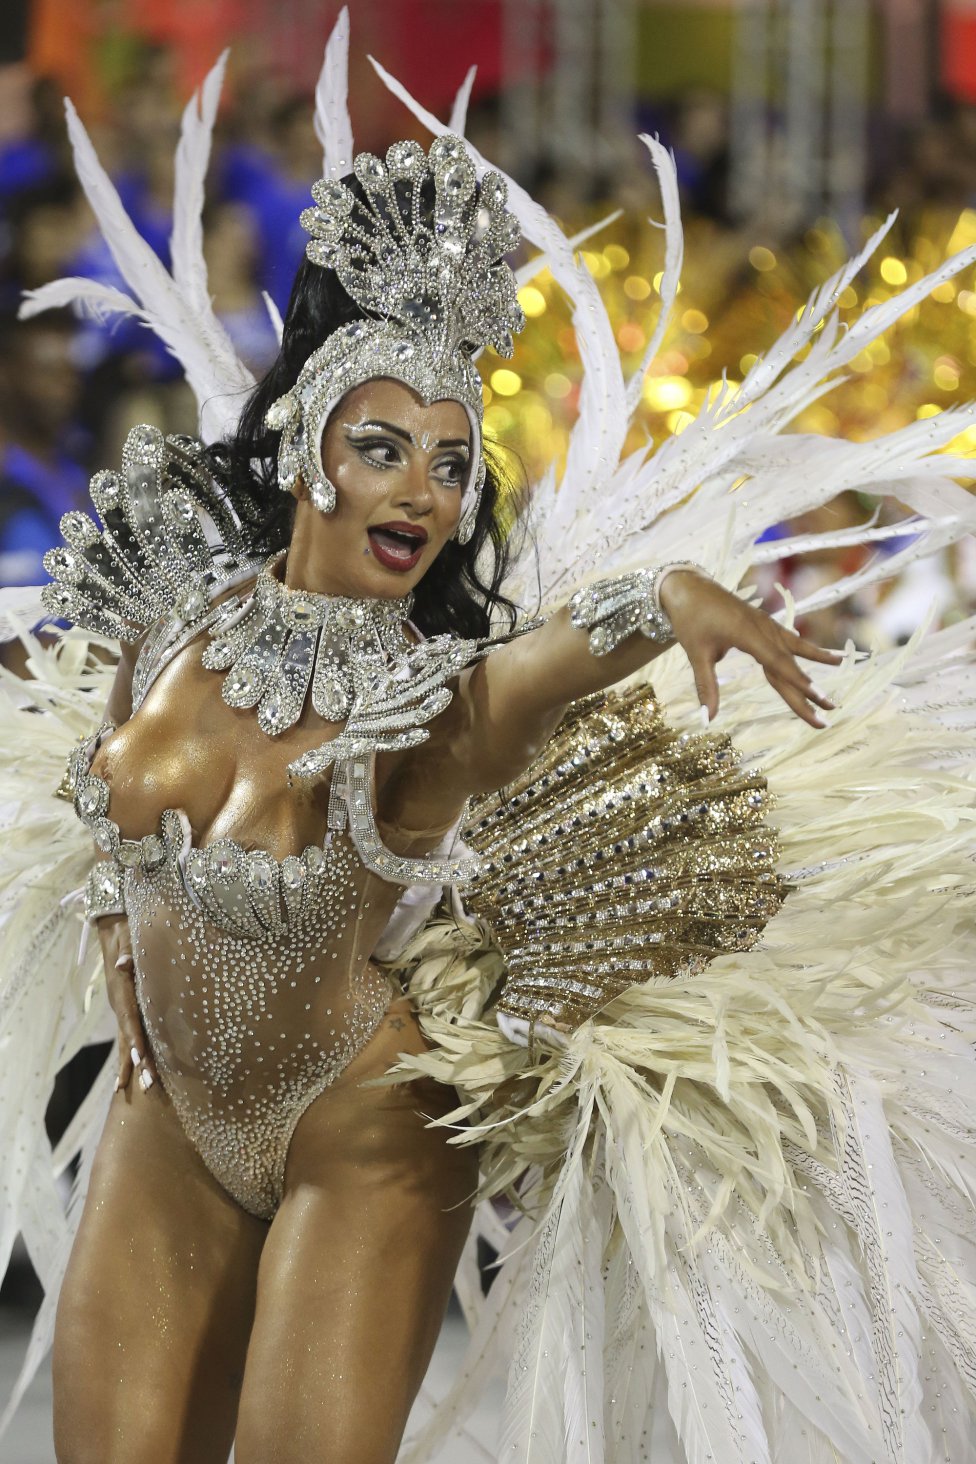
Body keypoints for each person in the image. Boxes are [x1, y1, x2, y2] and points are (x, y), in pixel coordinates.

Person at [2, 17, 975, 1463]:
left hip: (362, 1143)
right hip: (167, 1131)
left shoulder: (429, 702)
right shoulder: (171, 616)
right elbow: (101, 802)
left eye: (455, 462)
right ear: (306, 448)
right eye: (386, 445)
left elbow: (543, 671)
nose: (425, 490)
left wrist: (676, 600)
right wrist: (112, 926)